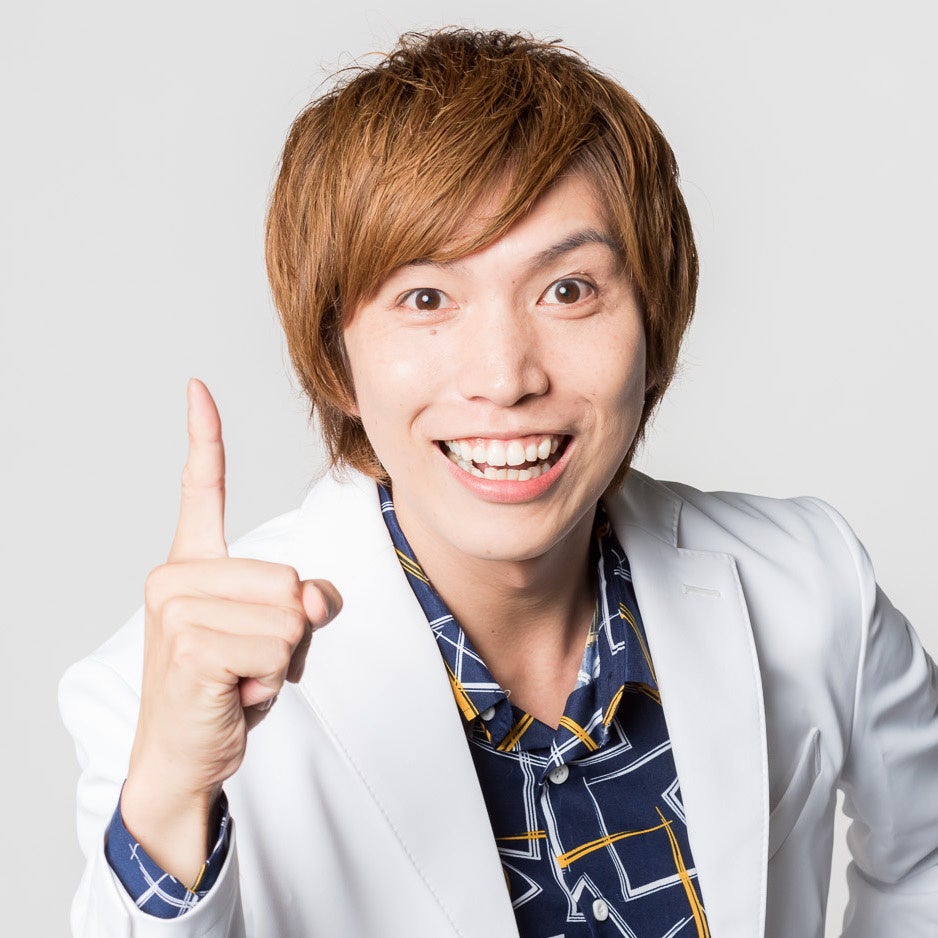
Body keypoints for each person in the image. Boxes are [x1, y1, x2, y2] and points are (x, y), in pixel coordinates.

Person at [60, 28, 938, 938]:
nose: (505, 376)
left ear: (655, 318)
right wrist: (172, 793)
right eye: (426, 299)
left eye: (568, 290)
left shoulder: (809, 581)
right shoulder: (152, 697)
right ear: (335, 356)